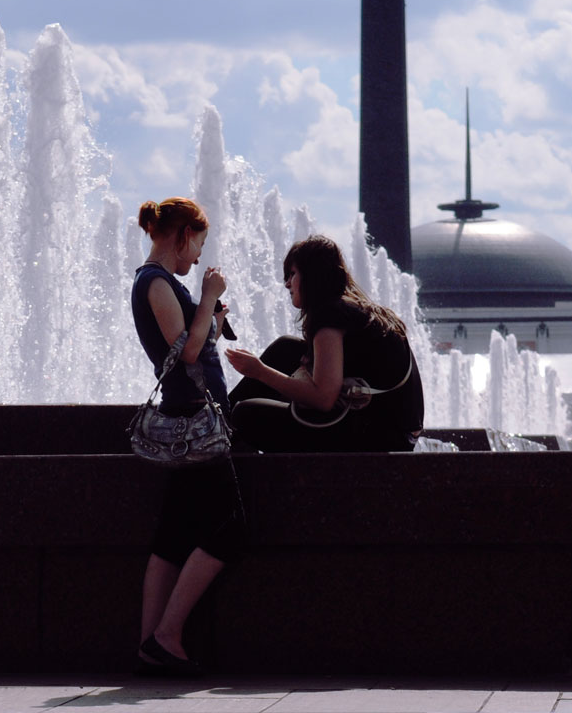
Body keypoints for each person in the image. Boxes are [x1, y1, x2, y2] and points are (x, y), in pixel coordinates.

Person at [130, 197, 245, 676]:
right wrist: (209, 295)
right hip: (192, 421)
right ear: (181, 235)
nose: (199, 255)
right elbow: (187, 354)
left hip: (188, 414)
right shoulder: (155, 282)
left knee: (174, 534)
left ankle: (149, 646)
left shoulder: (159, 283)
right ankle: (167, 634)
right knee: (231, 526)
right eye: (198, 242)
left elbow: (196, 344)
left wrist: (212, 321)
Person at [225, 235, 424, 452]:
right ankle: (219, 420)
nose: (287, 284)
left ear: (312, 276)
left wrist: (259, 371)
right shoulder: (352, 310)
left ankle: (219, 427)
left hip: (380, 435)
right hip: (392, 429)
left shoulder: (329, 316)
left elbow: (323, 399)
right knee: (286, 349)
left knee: (245, 414)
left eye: (292, 274)